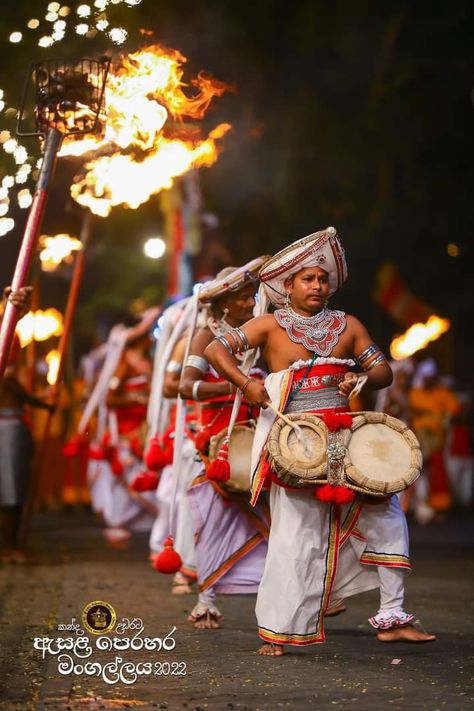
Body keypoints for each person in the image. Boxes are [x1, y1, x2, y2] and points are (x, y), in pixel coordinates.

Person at [205, 227, 435, 654]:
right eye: (307, 279)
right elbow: (217, 350)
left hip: (346, 440)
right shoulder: (269, 326)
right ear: (287, 285)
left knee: (386, 517)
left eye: (323, 279)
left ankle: (392, 615)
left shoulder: (348, 326)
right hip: (296, 444)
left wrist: (363, 375)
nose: (317, 286)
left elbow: (383, 371)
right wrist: (245, 384)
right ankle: (277, 631)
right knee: (297, 535)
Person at [179, 259, 270, 629]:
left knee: (275, 517)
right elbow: (186, 387)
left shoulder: (257, 333)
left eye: (253, 296)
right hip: (217, 440)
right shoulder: (205, 336)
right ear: (224, 305)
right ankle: (206, 599)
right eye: (245, 298)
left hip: (258, 434)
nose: (252, 303)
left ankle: (299, 591)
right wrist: (237, 384)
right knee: (215, 518)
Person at [0, 286, 54, 563]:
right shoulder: (7, 374)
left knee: (13, 489)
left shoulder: (9, 370)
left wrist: (15, 310)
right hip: (7, 429)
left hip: (12, 427)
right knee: (9, 489)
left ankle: (12, 544)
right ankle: (8, 545)